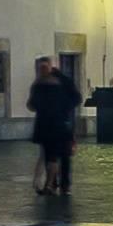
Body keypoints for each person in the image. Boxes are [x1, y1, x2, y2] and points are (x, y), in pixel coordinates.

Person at [25, 56, 79, 199]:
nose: (42, 70)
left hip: (60, 124)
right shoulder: (39, 84)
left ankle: (61, 185)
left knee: (61, 156)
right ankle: (53, 184)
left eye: (44, 67)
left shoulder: (62, 82)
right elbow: (33, 103)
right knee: (51, 155)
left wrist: (63, 110)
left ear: (50, 67)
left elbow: (75, 98)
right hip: (47, 124)